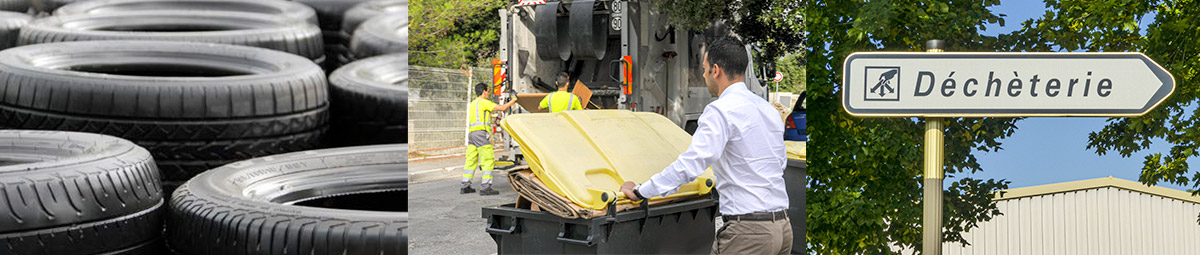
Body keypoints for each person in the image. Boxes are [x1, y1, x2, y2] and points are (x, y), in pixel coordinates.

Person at [619, 36, 791, 254]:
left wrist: (642, 191)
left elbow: (691, 164)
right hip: (782, 228)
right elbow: (779, 163)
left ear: (716, 70)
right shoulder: (768, 110)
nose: (703, 75)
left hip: (748, 233)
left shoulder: (721, 110)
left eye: (704, 69)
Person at [463, 82, 517, 195]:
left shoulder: (473, 103)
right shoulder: (484, 102)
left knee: (471, 160)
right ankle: (485, 187)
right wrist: (513, 99)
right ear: (483, 92)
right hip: (481, 134)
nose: (488, 93)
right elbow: (502, 108)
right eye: (488, 91)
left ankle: (465, 185)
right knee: (487, 160)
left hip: (472, 134)